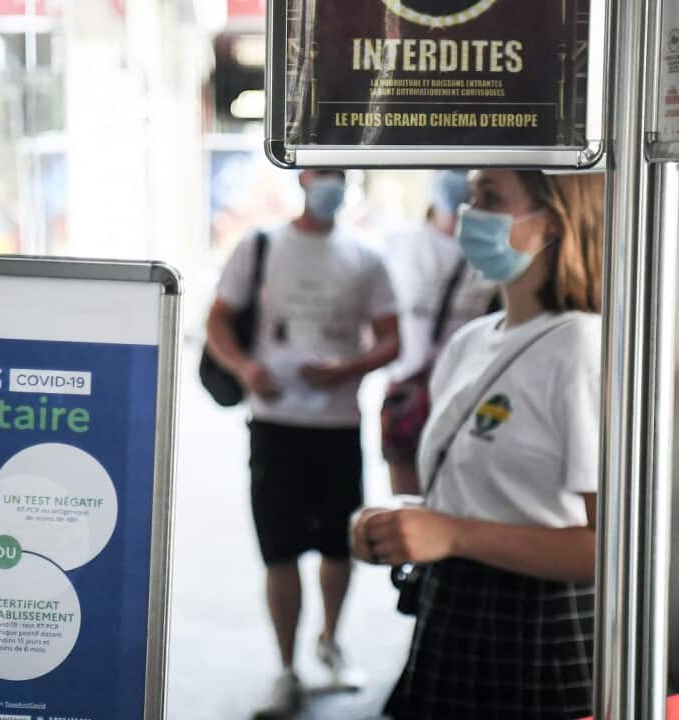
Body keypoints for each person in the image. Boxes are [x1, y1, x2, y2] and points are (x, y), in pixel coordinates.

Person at [351, 169, 604, 719]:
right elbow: (476, 499)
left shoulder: (582, 348)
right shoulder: (470, 342)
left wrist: (454, 535)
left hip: (537, 627)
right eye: (471, 197)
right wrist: (400, 524)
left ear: (553, 224)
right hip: (453, 611)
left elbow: (608, 549)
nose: (470, 215)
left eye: (490, 198)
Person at [206, 168, 401, 718]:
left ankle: (331, 641)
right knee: (281, 548)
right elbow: (218, 319)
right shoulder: (261, 245)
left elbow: (391, 338)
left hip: (337, 426)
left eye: (340, 175)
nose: (331, 185)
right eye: (322, 175)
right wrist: (246, 368)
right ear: (303, 178)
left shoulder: (366, 255)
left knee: (342, 546)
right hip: (275, 424)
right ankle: (286, 669)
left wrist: (349, 368)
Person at [381, 170, 500, 496]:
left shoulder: (490, 252)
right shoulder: (401, 244)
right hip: (409, 387)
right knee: (407, 495)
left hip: (465, 390)